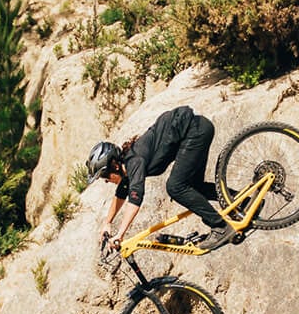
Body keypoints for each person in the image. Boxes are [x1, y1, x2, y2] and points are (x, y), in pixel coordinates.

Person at [88, 105, 234, 253]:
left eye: (104, 176)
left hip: (195, 132)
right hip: (196, 131)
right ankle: (241, 201)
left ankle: (220, 227)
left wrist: (120, 234)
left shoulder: (134, 161)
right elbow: (121, 193)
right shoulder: (128, 165)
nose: (106, 181)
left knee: (175, 187)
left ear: (115, 166)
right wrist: (108, 222)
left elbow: (135, 200)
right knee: (194, 188)